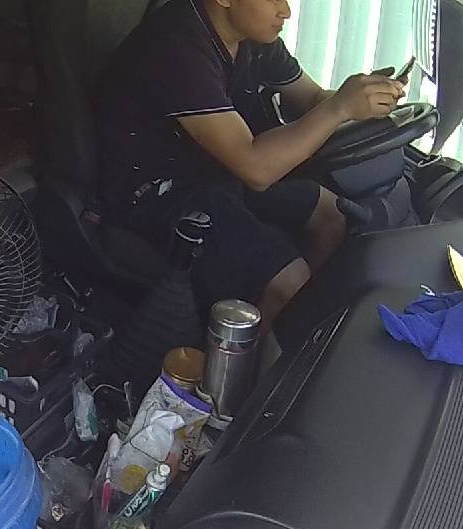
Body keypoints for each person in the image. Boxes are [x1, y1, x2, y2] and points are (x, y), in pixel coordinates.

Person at [97, 0, 407, 327]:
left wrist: (362, 98)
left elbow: (313, 99)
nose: (286, 11)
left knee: (332, 214)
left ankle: (300, 329)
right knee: (290, 284)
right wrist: (339, 109)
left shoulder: (254, 38)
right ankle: (260, 352)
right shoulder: (176, 48)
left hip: (213, 173)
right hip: (157, 195)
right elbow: (256, 168)